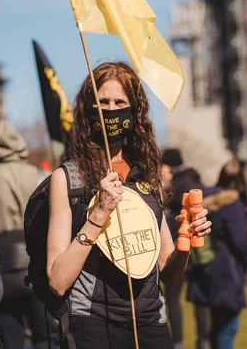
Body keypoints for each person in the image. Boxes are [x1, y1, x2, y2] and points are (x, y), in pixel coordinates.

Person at [46, 62, 212, 348]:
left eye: (120, 102)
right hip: (93, 326)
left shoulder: (148, 175)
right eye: (103, 102)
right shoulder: (68, 179)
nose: (111, 110)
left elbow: (167, 273)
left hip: (149, 325)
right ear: (88, 109)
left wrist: (186, 236)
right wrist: (97, 216)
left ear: (135, 112)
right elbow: (58, 280)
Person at [0, 121, 59, 349]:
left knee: (10, 341)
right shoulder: (42, 176)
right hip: (41, 268)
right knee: (47, 338)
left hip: (2, 273)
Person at [187, 159, 247, 349]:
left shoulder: (203, 199)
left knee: (215, 327)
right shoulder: (232, 203)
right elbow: (240, 242)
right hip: (227, 272)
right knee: (227, 328)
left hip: (204, 269)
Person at [161, 148, 209, 349]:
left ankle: (178, 342)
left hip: (179, 247)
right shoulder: (196, 181)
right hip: (201, 250)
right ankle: (203, 341)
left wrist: (164, 185)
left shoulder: (175, 186)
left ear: (168, 166)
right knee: (199, 297)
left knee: (172, 297)